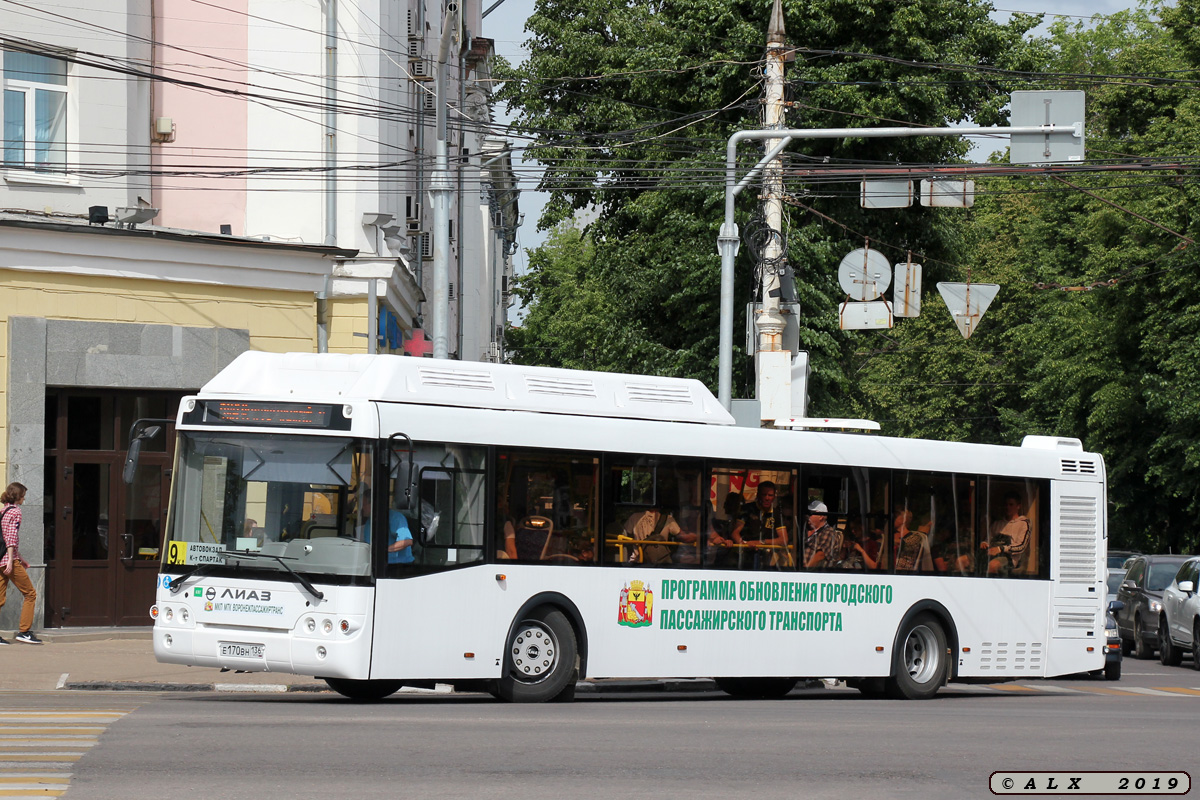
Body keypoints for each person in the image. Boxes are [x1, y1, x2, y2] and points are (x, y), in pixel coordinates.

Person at [0, 482, 41, 645]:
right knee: (30, 594)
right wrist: (12, 560)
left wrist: (20, 557)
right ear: (19, 496)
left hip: (1, 559)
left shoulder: (4, 510)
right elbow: (11, 537)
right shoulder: (16, 511)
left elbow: (3, 538)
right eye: (23, 495)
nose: (24, 498)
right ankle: (24, 632)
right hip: (8, 560)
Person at [731, 481, 788, 569]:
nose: (767, 498)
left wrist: (761, 543)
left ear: (774, 497)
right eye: (764, 495)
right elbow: (735, 533)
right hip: (745, 556)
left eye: (770, 495)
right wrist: (744, 544)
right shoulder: (747, 509)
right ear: (758, 495)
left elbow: (784, 539)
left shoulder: (777, 514)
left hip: (766, 558)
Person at [981, 492, 1032, 575]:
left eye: (1011, 504)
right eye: (1006, 504)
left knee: (992, 565)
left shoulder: (1024, 523)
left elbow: (1021, 546)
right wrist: (984, 543)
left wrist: (1001, 549)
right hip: (991, 554)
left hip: (1010, 559)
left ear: (1018, 506)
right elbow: (988, 539)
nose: (1007, 507)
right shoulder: (997, 524)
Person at [803, 501, 843, 569]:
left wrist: (804, 570)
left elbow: (820, 555)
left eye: (810, 514)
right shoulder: (804, 529)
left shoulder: (829, 533)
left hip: (814, 573)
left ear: (821, 517)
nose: (807, 516)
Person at [707, 492, 742, 566]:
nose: (724, 506)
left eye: (728, 503)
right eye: (726, 503)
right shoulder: (717, 522)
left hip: (732, 561)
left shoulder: (740, 524)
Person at [893, 507, 933, 572]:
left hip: (906, 574)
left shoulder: (915, 537)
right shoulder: (889, 535)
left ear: (904, 519)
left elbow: (906, 544)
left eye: (895, 517)